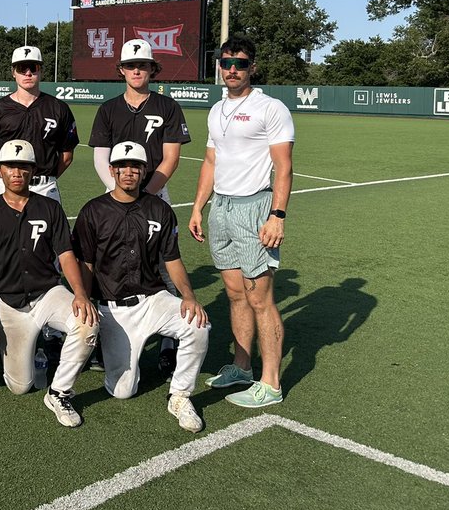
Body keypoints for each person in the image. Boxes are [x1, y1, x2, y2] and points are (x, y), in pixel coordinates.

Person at [188, 36, 294, 409]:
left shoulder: (271, 108)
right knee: (235, 294)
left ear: (253, 67)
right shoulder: (216, 110)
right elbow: (210, 162)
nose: (232, 69)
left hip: (255, 208)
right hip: (222, 209)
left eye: (241, 63)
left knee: (260, 298)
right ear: (219, 64)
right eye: (226, 61)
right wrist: (199, 207)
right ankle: (242, 366)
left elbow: (284, 167)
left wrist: (277, 216)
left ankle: (271, 383)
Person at [74, 141, 209, 432]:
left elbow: (172, 259)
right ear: (112, 170)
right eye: (122, 166)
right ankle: (120, 354)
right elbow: (85, 263)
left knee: (198, 324)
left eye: (135, 166)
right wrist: (83, 298)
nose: (129, 171)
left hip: (152, 299)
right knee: (122, 390)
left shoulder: (159, 209)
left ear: (144, 170)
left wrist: (189, 296)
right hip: (112, 307)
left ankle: (180, 395)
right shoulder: (93, 211)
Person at [0, 140, 99, 428]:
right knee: (20, 386)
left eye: (24, 166)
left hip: (46, 293)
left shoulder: (50, 208)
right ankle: (36, 351)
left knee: (87, 322)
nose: (17, 172)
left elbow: (65, 254)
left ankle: (59, 392)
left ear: (33, 171)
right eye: (11, 166)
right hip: (10, 303)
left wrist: (80, 293)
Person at [87, 37, 192, 376]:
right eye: (131, 65)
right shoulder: (109, 109)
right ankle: (106, 339)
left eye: (142, 65)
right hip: (115, 197)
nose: (137, 70)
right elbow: (101, 157)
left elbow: (171, 157)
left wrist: (145, 193)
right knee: (110, 262)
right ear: (121, 70)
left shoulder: (167, 107)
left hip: (155, 195)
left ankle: (167, 345)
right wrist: (117, 190)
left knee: (163, 266)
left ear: (151, 69)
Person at [0, 46, 78, 201]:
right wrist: (8, 178)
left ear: (41, 70)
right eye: (22, 68)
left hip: (44, 188)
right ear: (13, 72)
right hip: (4, 187)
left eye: (33, 68)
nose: (28, 73)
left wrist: (48, 177)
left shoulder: (59, 108)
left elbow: (67, 154)